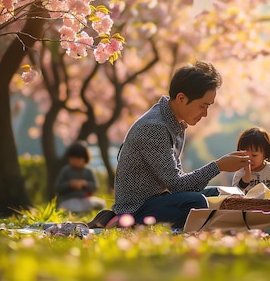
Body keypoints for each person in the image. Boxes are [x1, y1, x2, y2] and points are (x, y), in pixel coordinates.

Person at [87, 61, 250, 229]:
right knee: (197, 202)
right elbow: (177, 185)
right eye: (203, 106)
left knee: (218, 193)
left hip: (160, 199)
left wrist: (218, 167)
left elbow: (179, 182)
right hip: (137, 208)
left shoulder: (175, 123)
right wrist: (218, 166)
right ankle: (134, 226)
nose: (205, 113)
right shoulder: (155, 128)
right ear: (181, 98)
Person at [54, 142, 106, 213]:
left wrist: (85, 184)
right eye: (73, 158)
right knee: (71, 206)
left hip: (85, 199)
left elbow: (95, 187)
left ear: (85, 158)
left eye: (78, 159)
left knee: (101, 203)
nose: (75, 161)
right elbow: (58, 187)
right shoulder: (66, 170)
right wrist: (69, 184)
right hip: (68, 199)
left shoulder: (88, 171)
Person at [232, 127, 270, 195]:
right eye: (244, 155)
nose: (249, 159)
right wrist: (245, 178)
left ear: (265, 153)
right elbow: (234, 196)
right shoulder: (240, 173)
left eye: (254, 155)